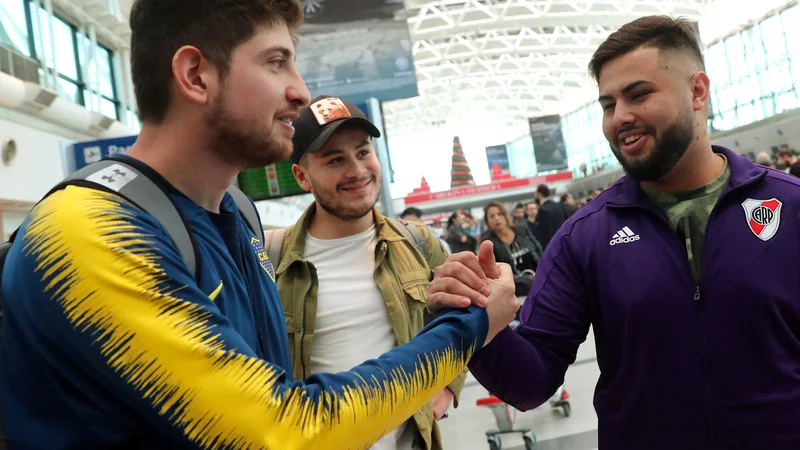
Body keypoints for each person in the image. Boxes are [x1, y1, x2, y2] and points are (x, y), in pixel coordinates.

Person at [0, 1, 519, 448]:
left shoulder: (236, 215)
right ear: (195, 76)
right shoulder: (90, 233)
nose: (300, 90)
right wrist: (472, 326)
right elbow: (282, 432)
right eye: (276, 63)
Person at [427, 15, 800, 450]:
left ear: (697, 91)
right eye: (608, 105)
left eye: (638, 95)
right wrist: (482, 326)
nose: (620, 117)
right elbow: (530, 383)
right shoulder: (584, 237)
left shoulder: (789, 207)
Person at [272, 96, 465, 450]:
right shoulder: (273, 261)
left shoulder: (417, 243)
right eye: (335, 160)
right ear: (302, 176)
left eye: (363, 153)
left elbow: (462, 312)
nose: (356, 171)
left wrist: (450, 383)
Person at [481, 201, 541, 297]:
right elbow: (493, 273)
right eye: (492, 216)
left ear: (505, 216)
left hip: (538, 282)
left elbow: (537, 249)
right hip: (515, 292)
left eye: (499, 214)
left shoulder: (522, 229)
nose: (497, 218)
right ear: (487, 222)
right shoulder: (488, 243)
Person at [533, 184, 567, 248]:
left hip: (553, 245)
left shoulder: (542, 210)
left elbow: (544, 233)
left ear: (539, 194)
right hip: (565, 240)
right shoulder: (559, 205)